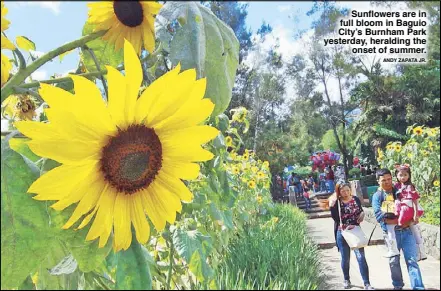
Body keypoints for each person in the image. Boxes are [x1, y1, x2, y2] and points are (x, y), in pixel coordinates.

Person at [372, 169, 425, 290]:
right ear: (378, 181)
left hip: (407, 232)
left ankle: (418, 287)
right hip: (391, 234)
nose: (387, 182)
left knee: (412, 261)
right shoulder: (377, 196)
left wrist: (412, 215)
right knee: (394, 262)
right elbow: (380, 217)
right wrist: (403, 220)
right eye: (383, 180)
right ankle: (398, 285)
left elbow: (411, 204)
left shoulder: (400, 190)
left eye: (389, 179)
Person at [327, 183, 374, 290]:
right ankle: (346, 279)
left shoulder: (355, 199)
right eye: (343, 191)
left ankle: (367, 283)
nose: (346, 193)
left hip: (356, 231)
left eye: (347, 190)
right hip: (343, 232)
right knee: (345, 258)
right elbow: (335, 218)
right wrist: (332, 205)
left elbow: (360, 211)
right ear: (339, 192)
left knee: (361, 257)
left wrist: (362, 214)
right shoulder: (336, 202)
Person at [394, 164, 427, 261]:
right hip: (402, 209)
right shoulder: (397, 186)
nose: (403, 177)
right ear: (396, 175)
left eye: (405, 175)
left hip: (409, 209)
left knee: (415, 231)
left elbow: (415, 201)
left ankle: (421, 253)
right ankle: (417, 253)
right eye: (400, 175)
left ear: (409, 175)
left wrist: (416, 214)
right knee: (412, 231)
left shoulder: (409, 186)